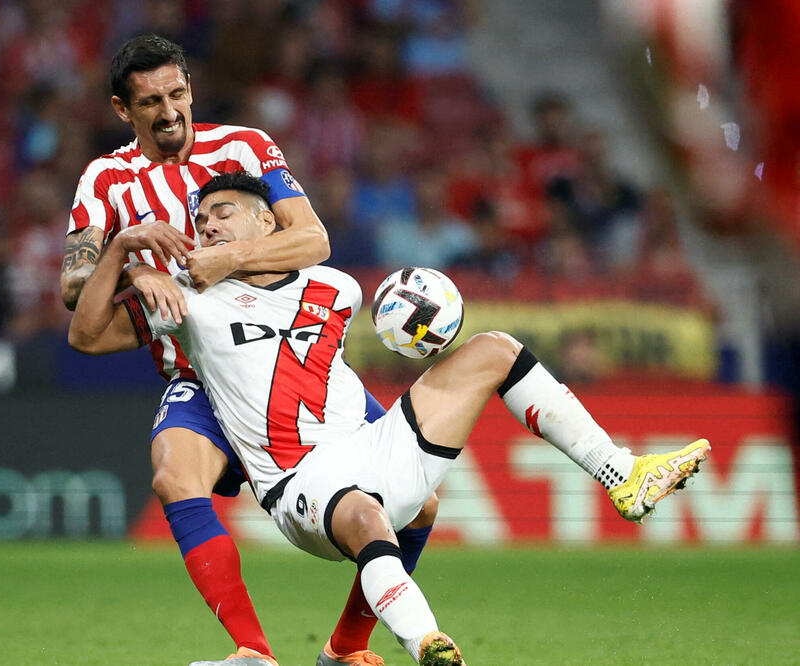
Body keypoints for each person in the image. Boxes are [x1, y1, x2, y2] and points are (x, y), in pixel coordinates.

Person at [68, 172, 711, 665]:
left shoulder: (337, 289)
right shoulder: (186, 298)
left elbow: (331, 323)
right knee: (367, 516)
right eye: (200, 218)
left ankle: (622, 475)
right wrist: (125, 255)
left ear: (266, 221)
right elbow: (86, 336)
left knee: (495, 351)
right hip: (299, 482)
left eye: (222, 213)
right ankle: (428, 643)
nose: (206, 225)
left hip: (366, 444)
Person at [60, 35, 424, 666]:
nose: (169, 112)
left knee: (421, 501)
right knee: (174, 476)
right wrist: (132, 260)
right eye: (150, 102)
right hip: (201, 371)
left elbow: (312, 240)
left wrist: (228, 259)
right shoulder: (106, 179)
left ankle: (346, 649)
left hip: (290, 355)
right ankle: (253, 652)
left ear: (191, 89)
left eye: (177, 94)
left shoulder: (246, 146)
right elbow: (74, 287)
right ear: (123, 109)